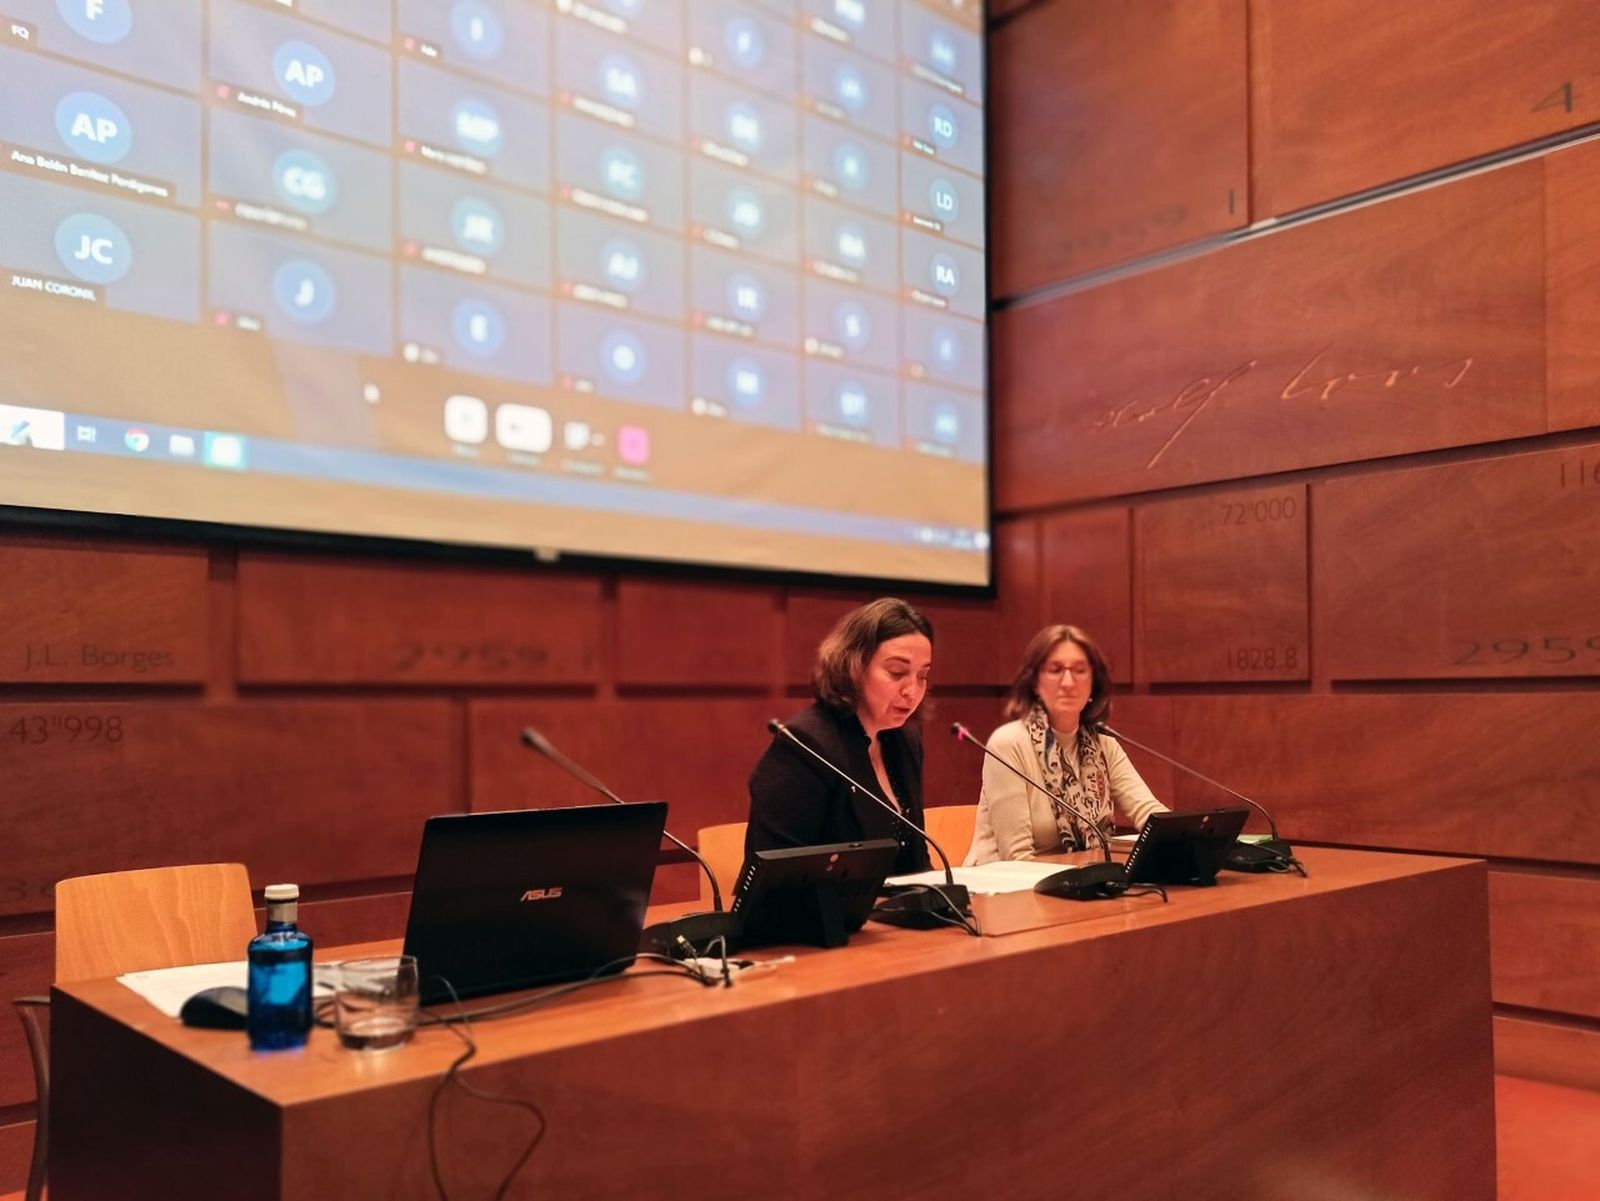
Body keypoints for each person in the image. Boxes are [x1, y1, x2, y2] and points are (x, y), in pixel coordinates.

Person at [746, 597, 933, 875]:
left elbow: (916, 859)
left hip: (894, 915)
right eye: (897, 672)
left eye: (922, 675)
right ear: (853, 666)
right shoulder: (805, 747)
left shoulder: (904, 741)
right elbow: (779, 878)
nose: (912, 690)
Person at [965, 624, 1166, 865]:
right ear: (1035, 682)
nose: (1068, 682)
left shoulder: (1104, 744)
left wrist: (1187, 839)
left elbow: (1149, 813)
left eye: (1080, 670)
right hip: (1002, 891)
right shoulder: (1008, 744)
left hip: (1079, 884)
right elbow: (1016, 857)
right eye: (1056, 670)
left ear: (1094, 682)